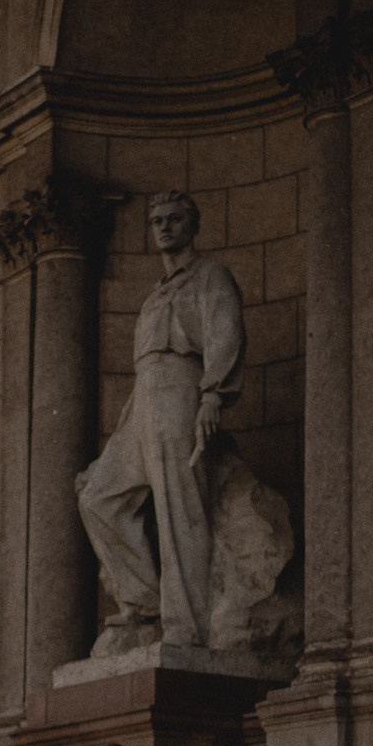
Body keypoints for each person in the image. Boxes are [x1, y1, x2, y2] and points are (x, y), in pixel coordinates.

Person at [77, 190, 246, 653]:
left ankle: (186, 627)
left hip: (181, 388)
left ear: (193, 225)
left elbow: (225, 335)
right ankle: (145, 602)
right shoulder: (155, 295)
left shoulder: (211, 276)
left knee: (179, 507)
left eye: (174, 219)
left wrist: (213, 396)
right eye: (157, 221)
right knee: (98, 497)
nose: (165, 227)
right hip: (144, 397)